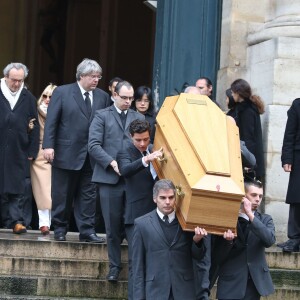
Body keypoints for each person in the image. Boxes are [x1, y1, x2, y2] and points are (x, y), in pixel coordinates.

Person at [43, 58, 110, 242]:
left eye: (99, 76)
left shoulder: (103, 97)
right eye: (93, 76)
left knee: (88, 194)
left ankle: (87, 230)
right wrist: (48, 145)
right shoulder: (63, 92)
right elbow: (52, 121)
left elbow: (105, 125)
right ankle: (60, 228)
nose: (97, 80)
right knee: (62, 193)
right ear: (81, 76)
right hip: (66, 152)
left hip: (92, 155)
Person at [88, 80, 144, 282]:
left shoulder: (139, 117)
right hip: (108, 178)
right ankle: (114, 266)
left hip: (133, 180)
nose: (129, 101)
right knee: (111, 226)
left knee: (133, 224)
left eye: (131, 98)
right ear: (114, 95)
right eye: (125, 98)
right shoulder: (101, 115)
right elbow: (93, 146)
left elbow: (144, 145)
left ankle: (136, 267)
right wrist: (112, 163)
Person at [132, 179, 207, 300]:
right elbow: (137, 266)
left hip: (184, 290)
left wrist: (197, 241)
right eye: (163, 198)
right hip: (155, 291)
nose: (167, 202)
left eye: (171, 197)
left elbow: (199, 257)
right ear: (154, 198)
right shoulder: (141, 224)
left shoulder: (188, 222)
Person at [117, 119, 163, 299]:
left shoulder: (155, 147)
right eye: (138, 140)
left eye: (145, 139)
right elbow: (125, 170)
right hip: (135, 216)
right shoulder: (125, 150)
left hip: (156, 215)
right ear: (131, 137)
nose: (143, 144)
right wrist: (145, 159)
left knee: (154, 262)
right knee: (136, 263)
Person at [210, 179, 275, 300]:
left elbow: (269, 240)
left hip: (254, 282)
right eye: (254, 195)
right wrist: (228, 241)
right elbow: (217, 254)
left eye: (260, 196)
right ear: (243, 196)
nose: (258, 199)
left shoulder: (265, 219)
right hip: (230, 281)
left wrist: (250, 215)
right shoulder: (227, 219)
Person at [0, 62, 39, 234]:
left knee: (17, 187)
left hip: (18, 149)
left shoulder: (28, 97)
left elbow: (35, 125)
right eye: (13, 80)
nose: (16, 84)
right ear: (6, 77)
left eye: (20, 80)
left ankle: (16, 221)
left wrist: (31, 151)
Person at [30, 84, 57, 235]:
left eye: (51, 97)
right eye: (45, 96)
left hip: (60, 153)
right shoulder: (36, 111)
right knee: (43, 189)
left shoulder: (63, 112)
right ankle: (44, 223)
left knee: (57, 190)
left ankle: (54, 223)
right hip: (40, 154)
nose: (47, 100)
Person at [228, 79, 265, 180]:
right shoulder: (243, 108)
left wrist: (246, 160)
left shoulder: (247, 111)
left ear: (238, 93)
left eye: (232, 92)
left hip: (248, 160)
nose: (231, 94)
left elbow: (248, 138)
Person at [279, 98, 300, 252]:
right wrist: (287, 158)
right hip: (299, 157)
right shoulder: (297, 104)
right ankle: (294, 238)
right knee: (296, 198)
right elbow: (289, 134)